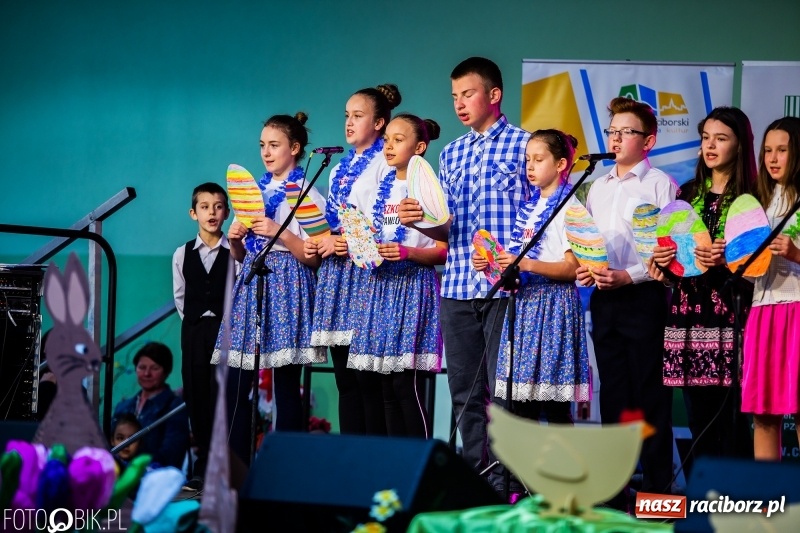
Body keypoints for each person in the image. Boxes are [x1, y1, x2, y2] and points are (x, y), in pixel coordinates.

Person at [398, 57, 529, 480]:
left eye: (467, 94)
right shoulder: (451, 153)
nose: (459, 103)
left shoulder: (525, 146)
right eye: (454, 96)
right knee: (464, 393)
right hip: (455, 286)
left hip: (504, 288)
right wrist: (419, 218)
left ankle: (511, 482)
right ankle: (479, 479)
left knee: (506, 393)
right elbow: (445, 229)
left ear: (494, 95)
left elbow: (537, 216)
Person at [576, 97, 677, 502]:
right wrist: (588, 268)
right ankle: (614, 496)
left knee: (651, 399)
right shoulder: (597, 186)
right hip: (604, 300)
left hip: (645, 298)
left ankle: (658, 496)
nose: (615, 138)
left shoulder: (660, 185)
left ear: (647, 140)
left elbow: (668, 251)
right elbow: (589, 242)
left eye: (625, 132)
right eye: (611, 131)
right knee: (614, 398)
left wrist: (629, 276)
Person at [212, 112, 327, 464]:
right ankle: (236, 468)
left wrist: (280, 232)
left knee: (286, 385)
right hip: (253, 281)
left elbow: (315, 258)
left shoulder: (307, 193)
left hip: (289, 284)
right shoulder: (255, 192)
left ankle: (285, 469)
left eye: (274, 145)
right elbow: (240, 255)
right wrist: (235, 241)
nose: (266, 151)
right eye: (262, 145)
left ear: (295, 148)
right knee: (236, 380)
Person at [649, 107, 756, 466]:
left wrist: (729, 258)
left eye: (721, 139)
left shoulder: (750, 198)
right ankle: (705, 503)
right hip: (687, 318)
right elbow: (676, 261)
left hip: (732, 317)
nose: (710, 146)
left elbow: (761, 264)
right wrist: (663, 265)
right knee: (698, 417)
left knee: (733, 418)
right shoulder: (688, 192)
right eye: (706, 138)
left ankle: (739, 503)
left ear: (739, 146)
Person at [304, 84, 401, 436]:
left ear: (378, 123)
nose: (349, 122)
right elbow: (335, 219)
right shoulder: (337, 169)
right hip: (337, 277)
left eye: (358, 116)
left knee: (367, 379)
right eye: (347, 115)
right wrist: (321, 241)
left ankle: (372, 462)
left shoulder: (384, 164)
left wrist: (345, 241)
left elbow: (388, 223)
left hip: (366, 277)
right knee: (345, 379)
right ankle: (351, 460)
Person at [346, 113, 447, 438]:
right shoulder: (378, 188)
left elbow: (445, 250)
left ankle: (420, 471)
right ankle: (392, 469)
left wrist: (409, 253)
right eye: (387, 139)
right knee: (383, 386)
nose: (389, 146)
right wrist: (364, 246)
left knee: (406, 384)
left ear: (419, 147)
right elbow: (358, 239)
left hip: (412, 286)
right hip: (378, 287)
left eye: (398, 140)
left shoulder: (430, 190)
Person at [742, 116, 800, 460]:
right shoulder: (758, 202)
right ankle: (768, 505)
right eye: (767, 151)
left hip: (797, 306)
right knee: (764, 414)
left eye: (782, 150)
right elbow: (749, 271)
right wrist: (734, 259)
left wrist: (794, 252)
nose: (773, 158)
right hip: (764, 309)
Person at [172, 181, 233, 489]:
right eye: (205, 207)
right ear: (193, 213)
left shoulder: (234, 251)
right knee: (196, 397)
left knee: (221, 397)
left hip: (226, 332)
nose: (212, 212)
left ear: (227, 212)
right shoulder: (181, 254)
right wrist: (197, 324)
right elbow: (180, 298)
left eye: (219, 206)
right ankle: (203, 466)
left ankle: (224, 467)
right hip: (194, 331)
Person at [112, 342, 190, 470]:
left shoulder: (175, 408)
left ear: (166, 371)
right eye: (142, 367)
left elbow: (171, 455)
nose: (147, 374)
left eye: (154, 368)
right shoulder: (123, 406)